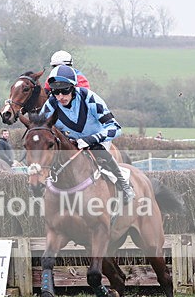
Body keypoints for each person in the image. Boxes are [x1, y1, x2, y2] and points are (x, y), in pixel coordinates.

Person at [37, 64, 134, 203]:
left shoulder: (89, 98)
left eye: (64, 91)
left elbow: (115, 127)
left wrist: (91, 139)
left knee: (98, 150)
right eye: (56, 92)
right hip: (70, 142)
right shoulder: (51, 104)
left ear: (73, 88)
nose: (60, 96)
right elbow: (42, 130)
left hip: (98, 139)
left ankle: (124, 185)